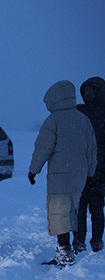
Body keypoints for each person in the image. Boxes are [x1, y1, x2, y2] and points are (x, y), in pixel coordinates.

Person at [28, 80, 97, 267]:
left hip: (61, 175)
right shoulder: (83, 119)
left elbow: (43, 148)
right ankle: (70, 246)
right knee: (73, 209)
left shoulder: (53, 121)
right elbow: (92, 149)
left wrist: (34, 170)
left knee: (58, 210)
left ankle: (64, 250)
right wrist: (90, 173)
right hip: (80, 174)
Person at [74, 76, 105, 252]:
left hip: (100, 171)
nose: (88, 94)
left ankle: (97, 240)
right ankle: (78, 240)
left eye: (91, 91)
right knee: (79, 209)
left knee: (97, 209)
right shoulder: (79, 111)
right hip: (79, 169)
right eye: (85, 90)